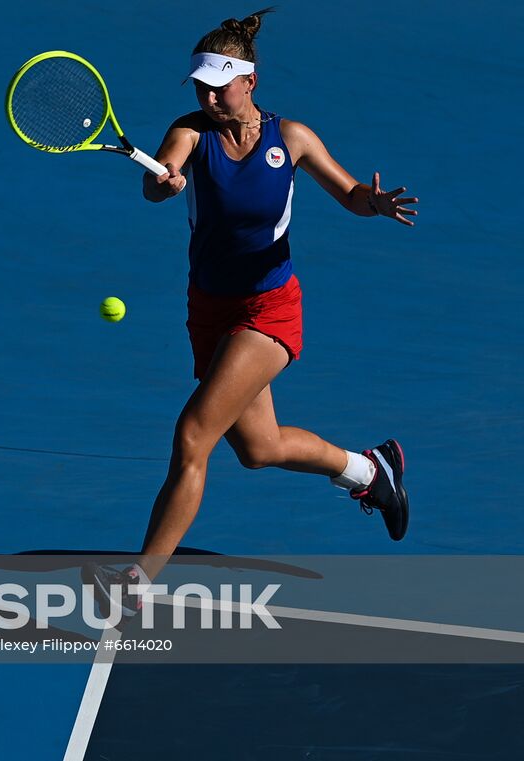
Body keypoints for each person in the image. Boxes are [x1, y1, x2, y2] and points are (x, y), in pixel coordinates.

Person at [86, 7, 419, 618]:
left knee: (193, 434)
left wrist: (374, 201)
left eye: (219, 85)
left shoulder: (290, 138)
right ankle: (368, 470)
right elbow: (159, 180)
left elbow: (348, 193)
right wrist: (164, 184)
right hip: (210, 307)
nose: (209, 97)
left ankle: (138, 580)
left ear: (250, 81)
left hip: (269, 309)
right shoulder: (190, 132)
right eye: (201, 87)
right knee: (259, 448)